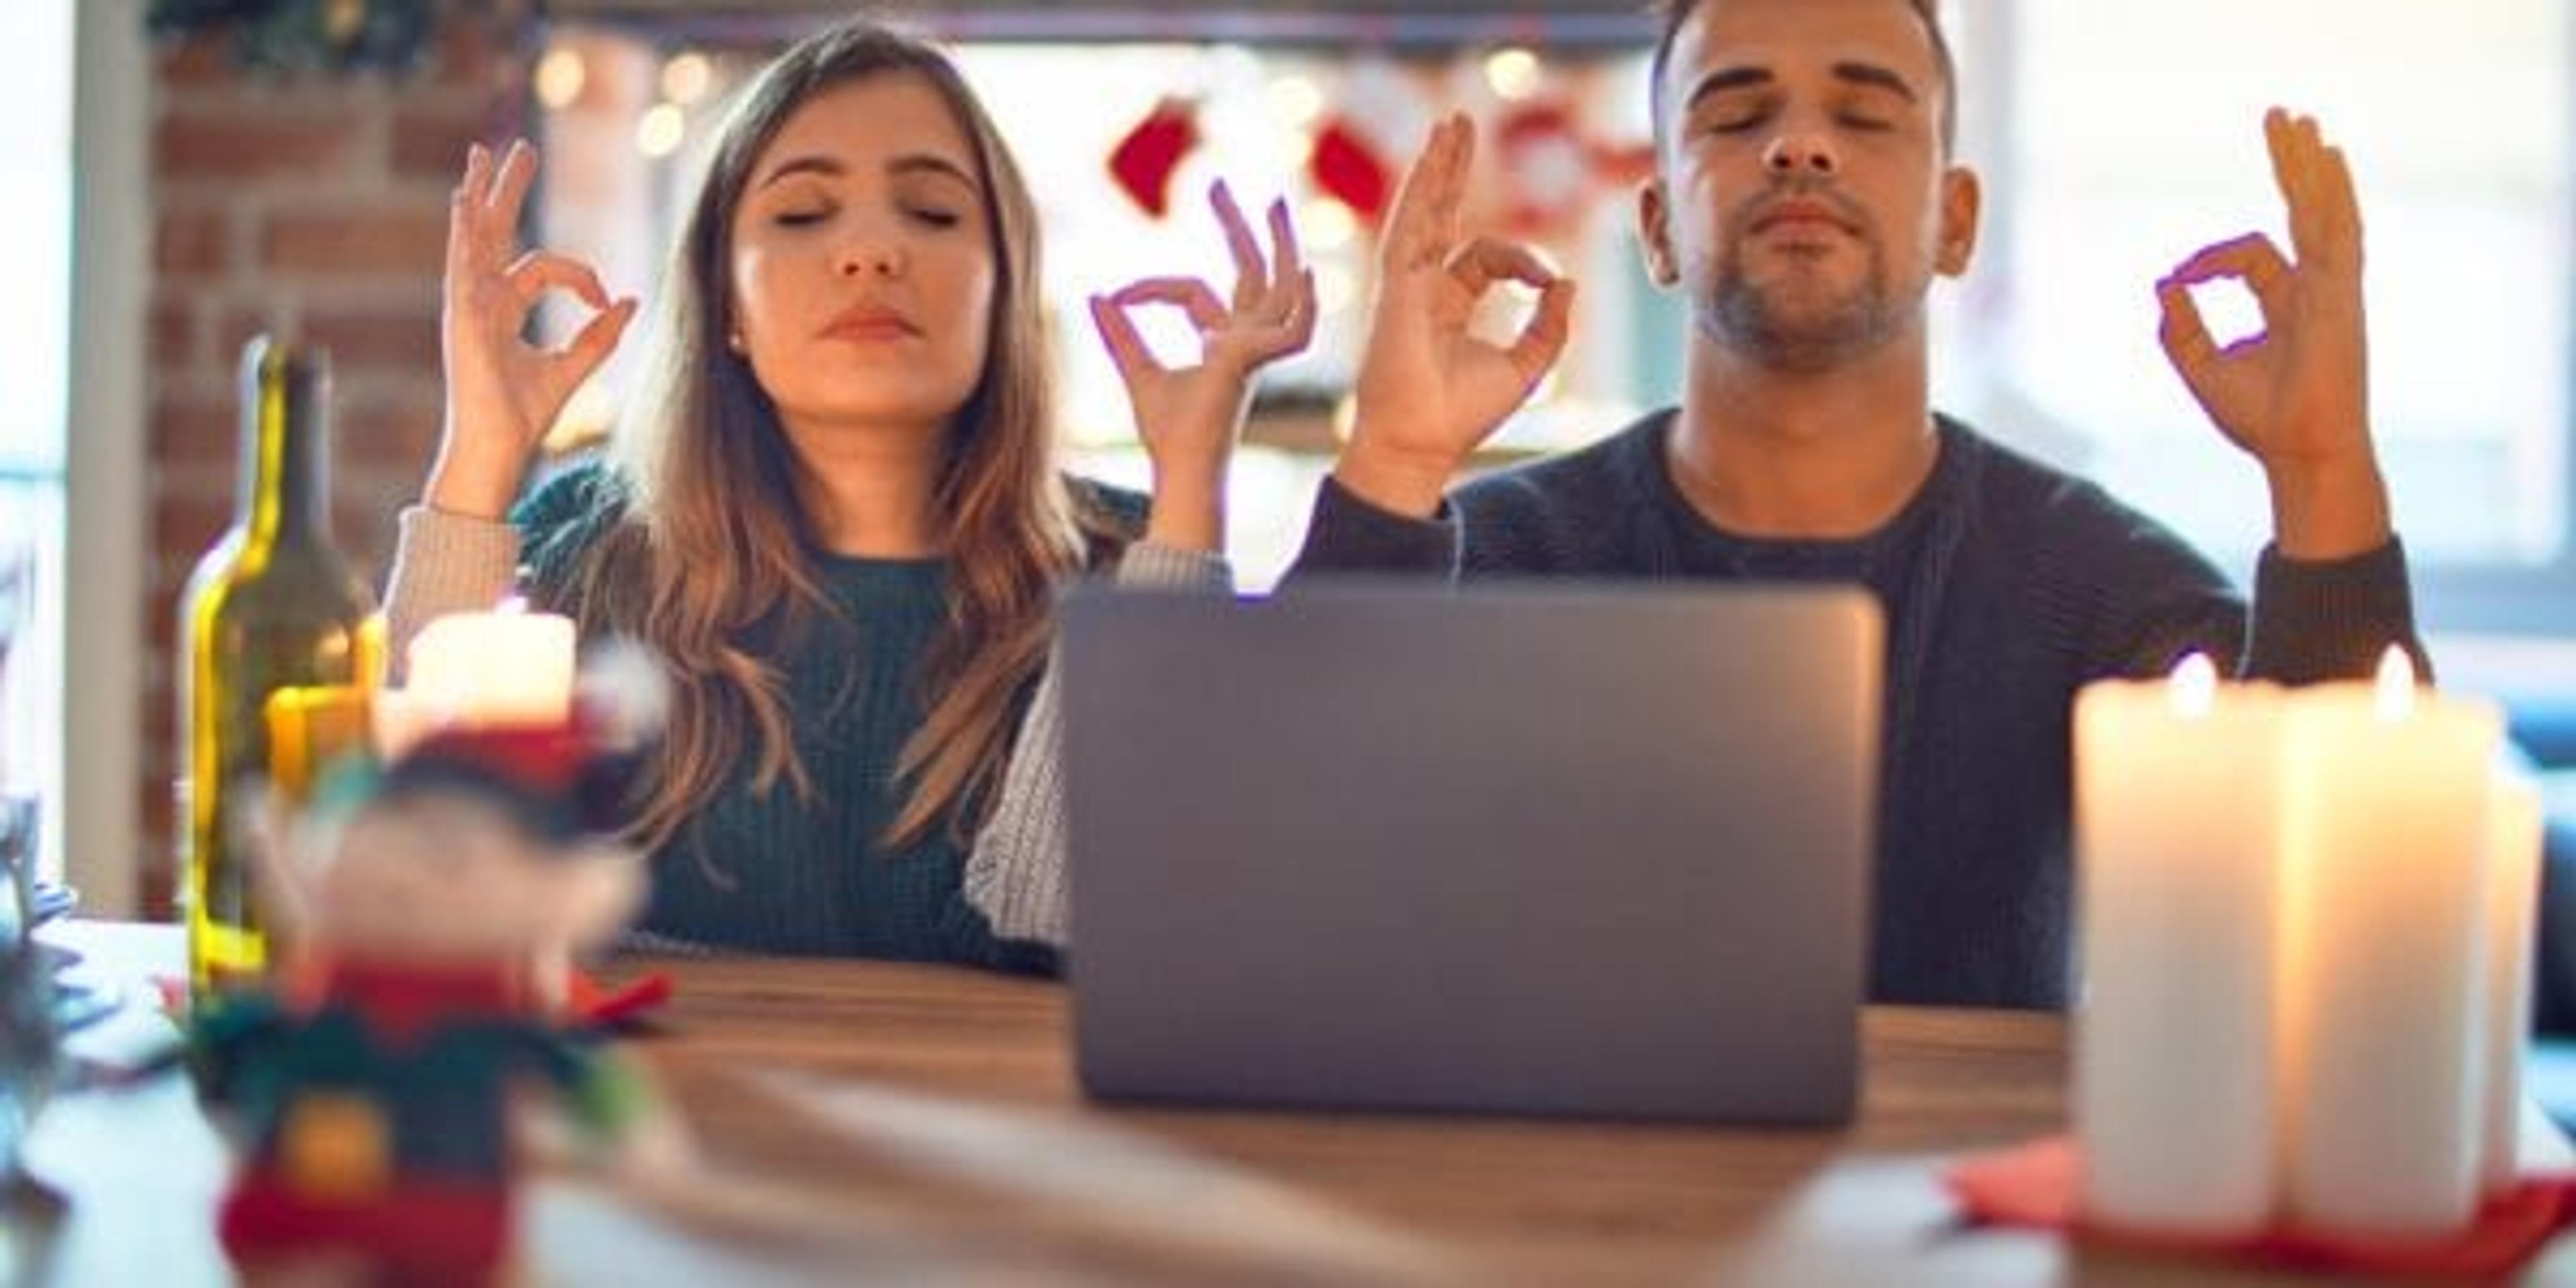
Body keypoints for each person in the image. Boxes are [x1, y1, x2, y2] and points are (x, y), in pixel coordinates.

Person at [1291, 0, 2422, 1008]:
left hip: (1973, 1237)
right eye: (1735, 118)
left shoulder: (2112, 590)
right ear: (1655, 232)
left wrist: (2324, 471)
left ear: (1957, 220)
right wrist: (1391, 464)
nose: (1799, 144)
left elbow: (2348, 915)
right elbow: (1285, 873)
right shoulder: (1495, 560)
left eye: (1868, 114)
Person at [382, 19, 1314, 970]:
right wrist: (481, 458)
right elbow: (405, 874)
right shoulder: (585, 549)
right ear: (726, 304)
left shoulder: (1136, 565)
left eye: (933, 212)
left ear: (1006, 288)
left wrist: (1190, 491)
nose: (871, 251)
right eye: (802, 215)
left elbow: (1099, 931)